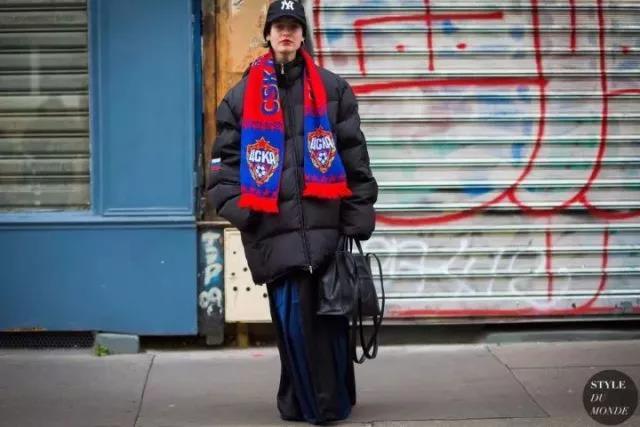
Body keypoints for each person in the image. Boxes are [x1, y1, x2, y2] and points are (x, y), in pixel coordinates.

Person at [207, 0, 378, 424]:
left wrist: (357, 218)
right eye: (279, 26)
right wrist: (249, 214)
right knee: (294, 328)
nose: (286, 32)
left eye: (294, 26)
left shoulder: (333, 89)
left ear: (303, 35)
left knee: (330, 325)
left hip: (326, 233)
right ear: (267, 34)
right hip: (275, 233)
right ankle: (311, 404)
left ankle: (322, 403)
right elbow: (222, 172)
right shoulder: (240, 98)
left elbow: (354, 158)